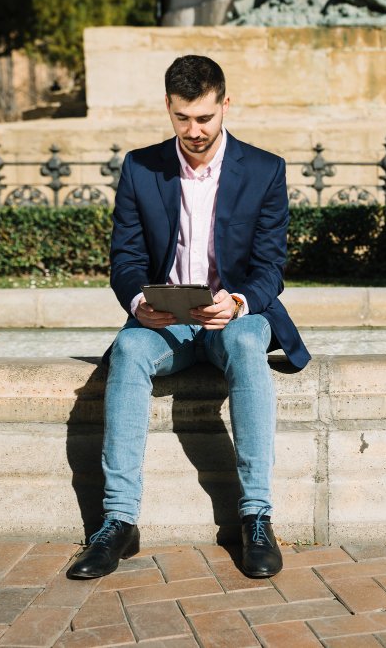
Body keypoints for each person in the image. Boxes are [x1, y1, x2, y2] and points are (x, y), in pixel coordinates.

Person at [67, 55, 310, 580]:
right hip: (167, 321)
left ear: (225, 104)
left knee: (248, 343)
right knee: (129, 348)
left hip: (234, 317)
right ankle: (118, 522)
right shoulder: (141, 167)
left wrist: (240, 301)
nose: (194, 131)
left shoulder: (265, 169)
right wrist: (139, 303)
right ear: (168, 108)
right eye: (182, 119)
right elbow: (126, 260)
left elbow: (271, 266)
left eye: (204, 118)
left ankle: (256, 516)